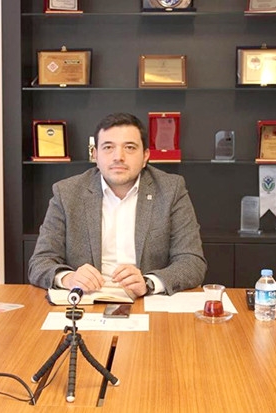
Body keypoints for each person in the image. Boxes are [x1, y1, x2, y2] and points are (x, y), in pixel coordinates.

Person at [28, 112, 206, 297]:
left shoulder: (171, 190)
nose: (118, 157)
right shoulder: (67, 193)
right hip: (87, 300)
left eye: (129, 147)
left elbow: (192, 262)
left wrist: (149, 283)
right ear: (95, 155)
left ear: (145, 156)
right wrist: (68, 278)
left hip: (146, 300)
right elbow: (40, 262)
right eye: (108, 147)